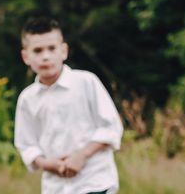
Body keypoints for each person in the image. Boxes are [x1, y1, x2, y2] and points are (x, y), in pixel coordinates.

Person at [13, 17, 123, 194]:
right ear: (26, 56)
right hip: (55, 187)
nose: (46, 56)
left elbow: (110, 127)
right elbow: (26, 144)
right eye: (38, 50)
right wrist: (46, 163)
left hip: (94, 182)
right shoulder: (27, 99)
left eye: (51, 48)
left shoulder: (86, 82)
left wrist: (81, 156)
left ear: (63, 51)